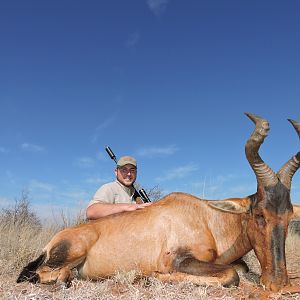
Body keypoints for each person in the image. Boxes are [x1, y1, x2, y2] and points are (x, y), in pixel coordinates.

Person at [86, 155, 152, 220]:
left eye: (132, 170)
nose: (129, 174)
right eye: (124, 170)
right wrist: (127, 207)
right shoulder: (109, 188)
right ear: (116, 172)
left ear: (136, 173)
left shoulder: (137, 196)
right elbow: (91, 211)